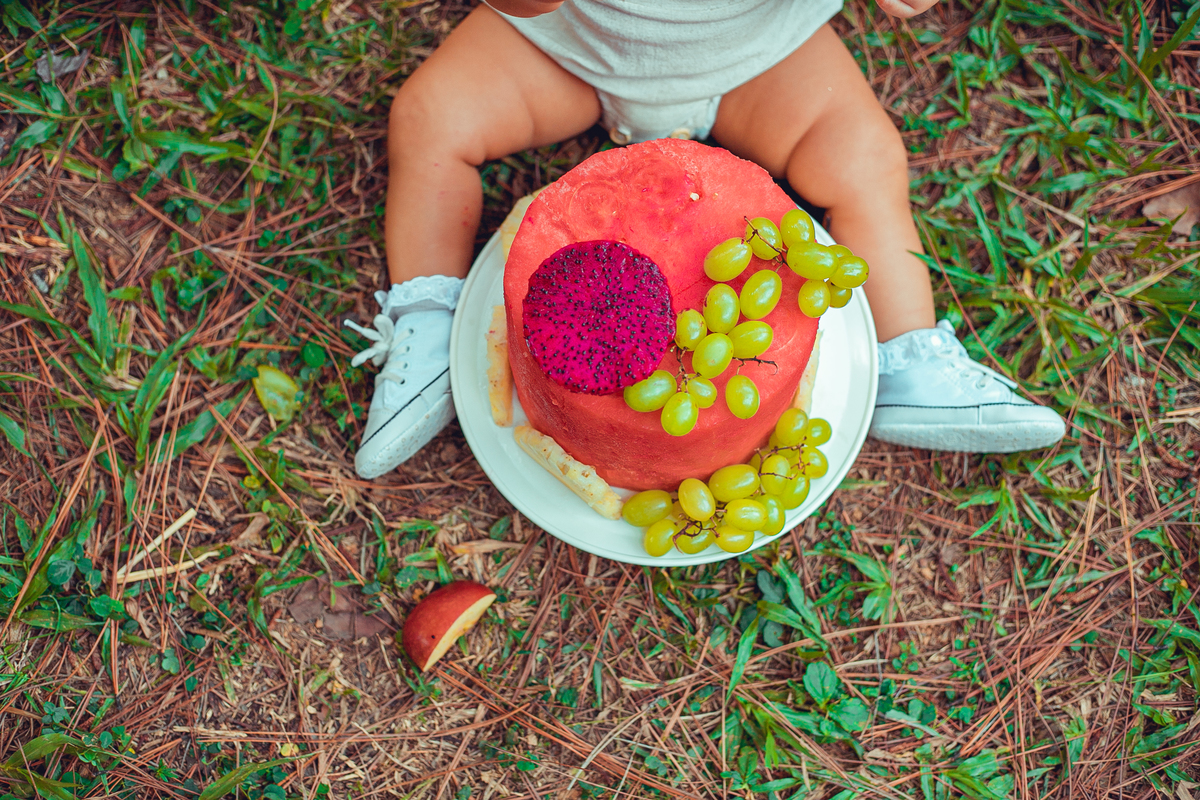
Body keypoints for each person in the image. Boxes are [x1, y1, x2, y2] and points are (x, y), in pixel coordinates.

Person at [345, 0, 1066, 480]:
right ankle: (430, 321)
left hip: (760, 54)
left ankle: (907, 356)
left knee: (861, 157)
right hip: (568, 47)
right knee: (432, 117)